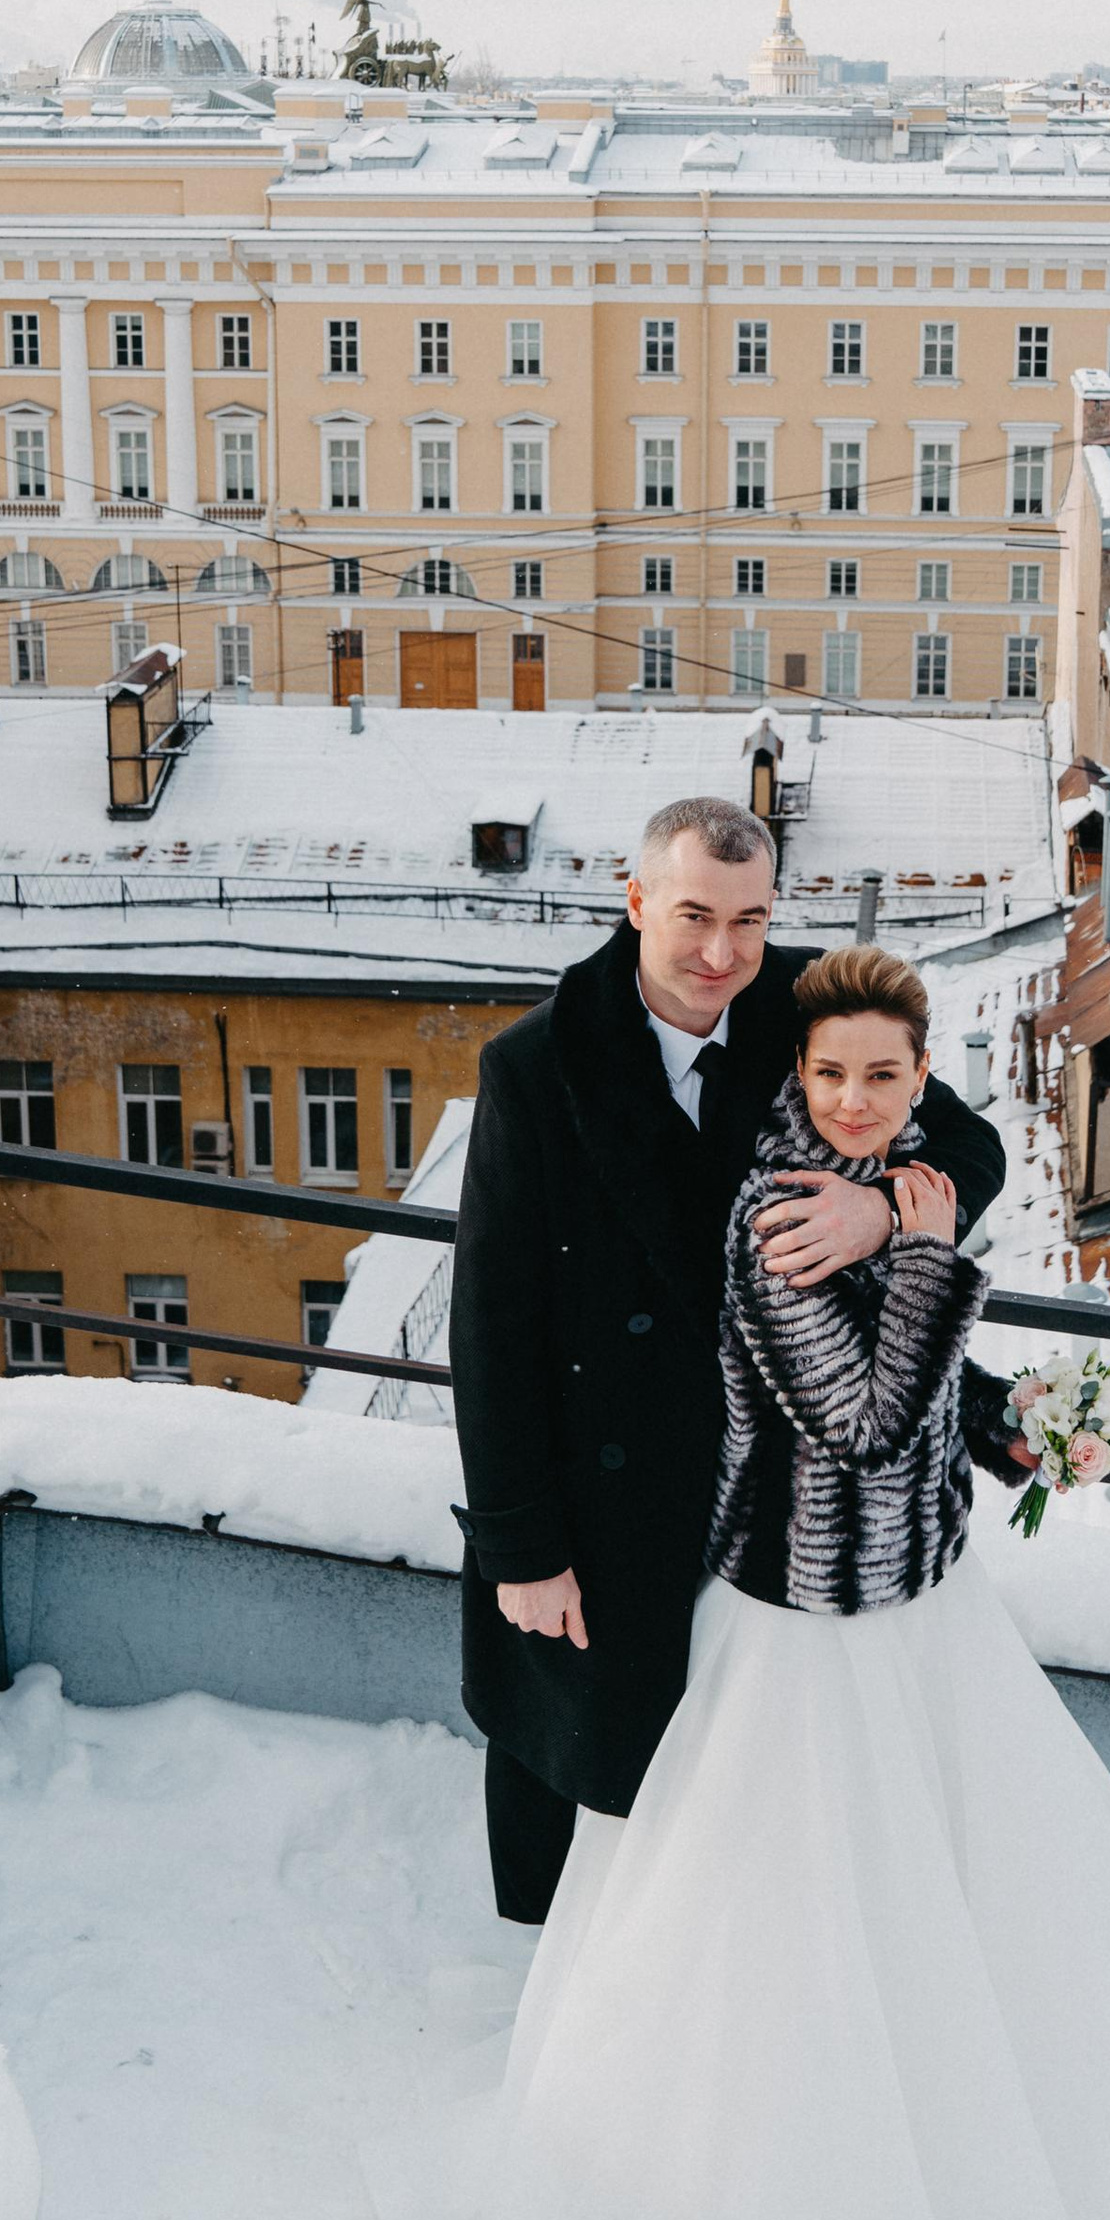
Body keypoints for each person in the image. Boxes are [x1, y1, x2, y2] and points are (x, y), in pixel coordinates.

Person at [375, 945, 1110, 2220]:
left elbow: (930, 1388)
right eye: (834, 1075)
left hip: (920, 1608)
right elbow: (851, 1412)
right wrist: (922, 1245)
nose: (856, 1100)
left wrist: (1022, 1424)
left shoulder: (900, 1171)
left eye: (886, 1079)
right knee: (793, 1941)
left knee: (971, 1898)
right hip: (797, 1626)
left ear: (921, 1082)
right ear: (796, 1077)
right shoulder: (778, 1212)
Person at [447, 795, 1010, 1924]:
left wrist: (878, 1214)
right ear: (636, 899)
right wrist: (521, 1545)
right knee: (606, 1776)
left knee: (744, 1793)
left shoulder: (802, 1009)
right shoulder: (535, 1067)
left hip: (769, 1490)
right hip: (614, 1494)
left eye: (749, 920)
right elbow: (492, 1322)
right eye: (694, 915)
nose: (721, 954)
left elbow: (966, 1143)